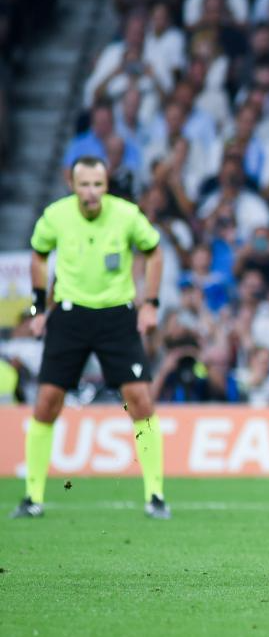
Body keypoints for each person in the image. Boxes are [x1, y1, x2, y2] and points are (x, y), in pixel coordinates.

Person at [11, 157, 169, 519]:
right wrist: (39, 309)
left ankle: (156, 495)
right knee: (46, 401)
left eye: (98, 184)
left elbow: (154, 252)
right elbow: (38, 257)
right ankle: (33, 497)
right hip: (70, 315)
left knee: (140, 399)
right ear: (72, 184)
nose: (92, 192)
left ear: (106, 185)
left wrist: (150, 304)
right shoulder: (55, 216)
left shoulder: (127, 215)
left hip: (117, 315)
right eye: (84, 184)